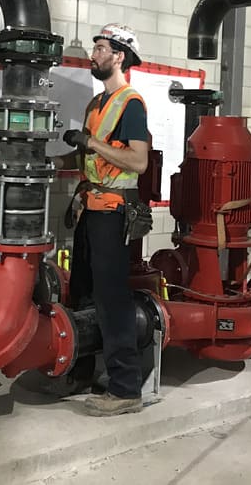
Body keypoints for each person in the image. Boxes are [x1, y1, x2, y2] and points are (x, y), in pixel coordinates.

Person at [54, 23, 150, 417]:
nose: (93, 55)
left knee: (112, 300)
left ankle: (126, 389)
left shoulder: (131, 104)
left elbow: (138, 162)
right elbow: (87, 157)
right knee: (80, 292)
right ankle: (81, 372)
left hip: (113, 213)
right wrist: (51, 162)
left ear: (119, 56)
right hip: (89, 208)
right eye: (94, 48)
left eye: (99, 49)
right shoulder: (96, 104)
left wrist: (90, 142)